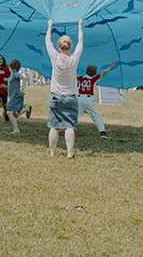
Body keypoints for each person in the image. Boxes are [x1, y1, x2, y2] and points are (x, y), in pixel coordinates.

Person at [45, 18, 83, 158]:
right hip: (71, 97)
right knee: (69, 125)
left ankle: (52, 152)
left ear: (59, 46)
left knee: (54, 126)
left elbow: (47, 41)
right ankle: (69, 153)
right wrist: (79, 25)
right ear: (70, 46)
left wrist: (50, 25)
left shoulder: (55, 57)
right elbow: (81, 43)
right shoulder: (74, 59)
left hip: (55, 96)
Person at [76, 62, 116, 139]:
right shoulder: (93, 79)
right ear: (94, 73)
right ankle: (103, 132)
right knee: (96, 116)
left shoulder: (80, 78)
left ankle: (65, 128)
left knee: (75, 116)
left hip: (79, 99)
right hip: (88, 100)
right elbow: (103, 73)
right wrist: (110, 66)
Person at [5, 59, 32, 134]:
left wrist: (23, 89)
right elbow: (12, 85)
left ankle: (16, 130)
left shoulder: (14, 73)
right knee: (14, 115)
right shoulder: (12, 76)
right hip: (15, 97)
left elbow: (24, 78)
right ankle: (27, 109)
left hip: (16, 96)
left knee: (9, 113)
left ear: (11, 68)